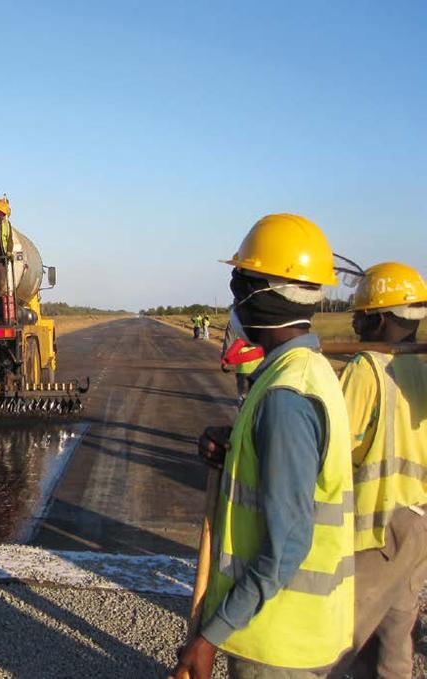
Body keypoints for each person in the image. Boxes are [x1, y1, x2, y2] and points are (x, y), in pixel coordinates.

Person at [172, 214, 354, 679]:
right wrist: (234, 446)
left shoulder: (286, 397)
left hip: (276, 643)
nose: (235, 299)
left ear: (264, 295)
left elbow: (288, 544)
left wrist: (210, 636)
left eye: (240, 284)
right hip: (285, 631)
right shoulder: (301, 370)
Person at [332, 261, 427, 678]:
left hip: (375, 529)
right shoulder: (419, 370)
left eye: (359, 312)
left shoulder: (366, 368)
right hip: (417, 527)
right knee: (392, 649)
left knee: (336, 642)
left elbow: (333, 447)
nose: (353, 320)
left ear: (381, 317)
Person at [220, 335, 264, 407]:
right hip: (258, 371)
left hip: (242, 371)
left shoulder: (241, 338)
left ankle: (242, 409)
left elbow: (231, 353)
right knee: (255, 393)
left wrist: (225, 362)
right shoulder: (263, 341)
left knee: (243, 394)